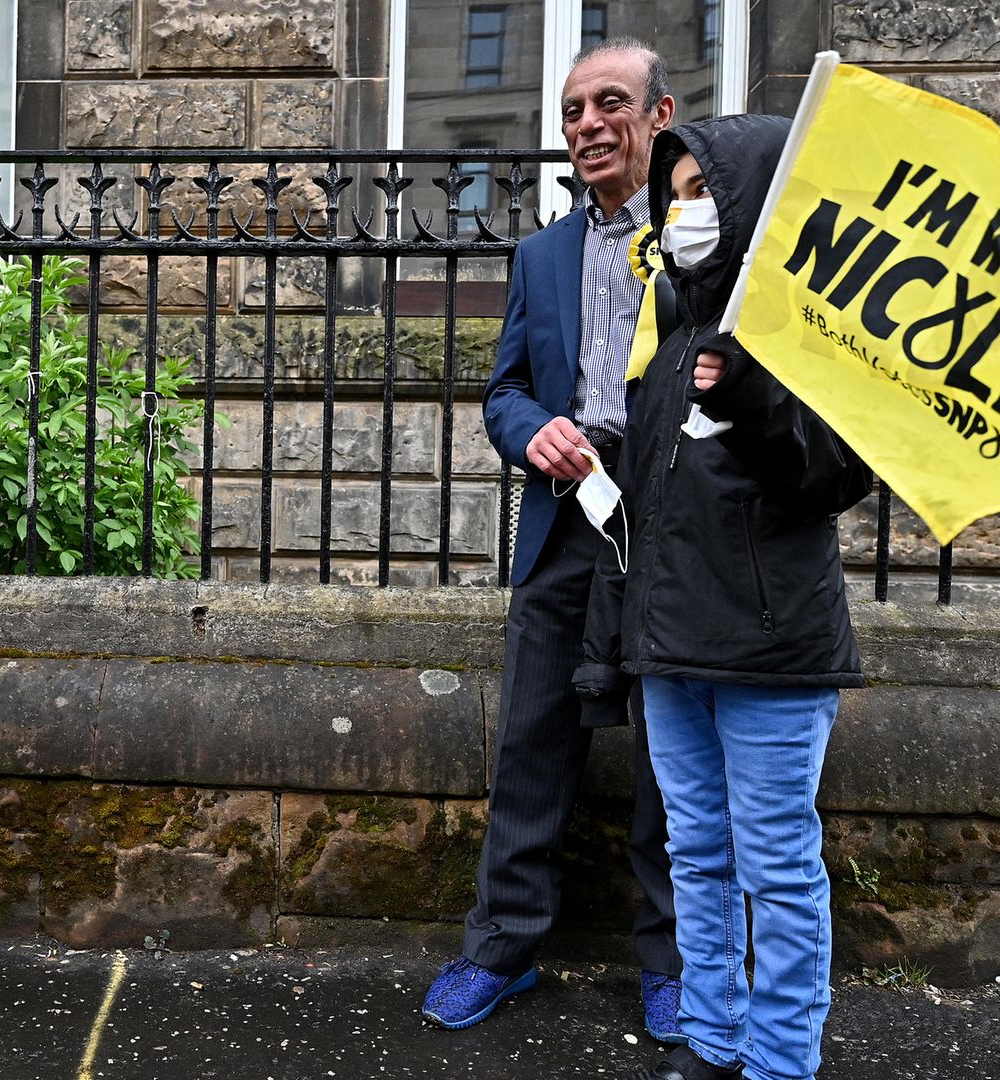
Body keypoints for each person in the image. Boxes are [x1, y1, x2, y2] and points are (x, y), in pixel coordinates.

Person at [580, 114, 872, 1080]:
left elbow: (832, 480)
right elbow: (648, 510)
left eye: (705, 191)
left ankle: (783, 1059)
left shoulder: (807, 338)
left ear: (751, 202)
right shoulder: (675, 337)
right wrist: (623, 640)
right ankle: (714, 1038)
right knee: (697, 859)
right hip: (674, 656)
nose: (683, 209)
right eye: (677, 192)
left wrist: (757, 399)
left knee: (778, 870)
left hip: (772, 656)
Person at [423, 38, 684, 1038]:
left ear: (659, 118)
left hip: (666, 531)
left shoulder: (705, 242)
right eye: (574, 110)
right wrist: (536, 432)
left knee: (673, 763)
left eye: (608, 103)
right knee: (531, 744)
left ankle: (672, 964)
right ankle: (502, 951)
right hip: (563, 525)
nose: (586, 124)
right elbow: (504, 393)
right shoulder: (538, 255)